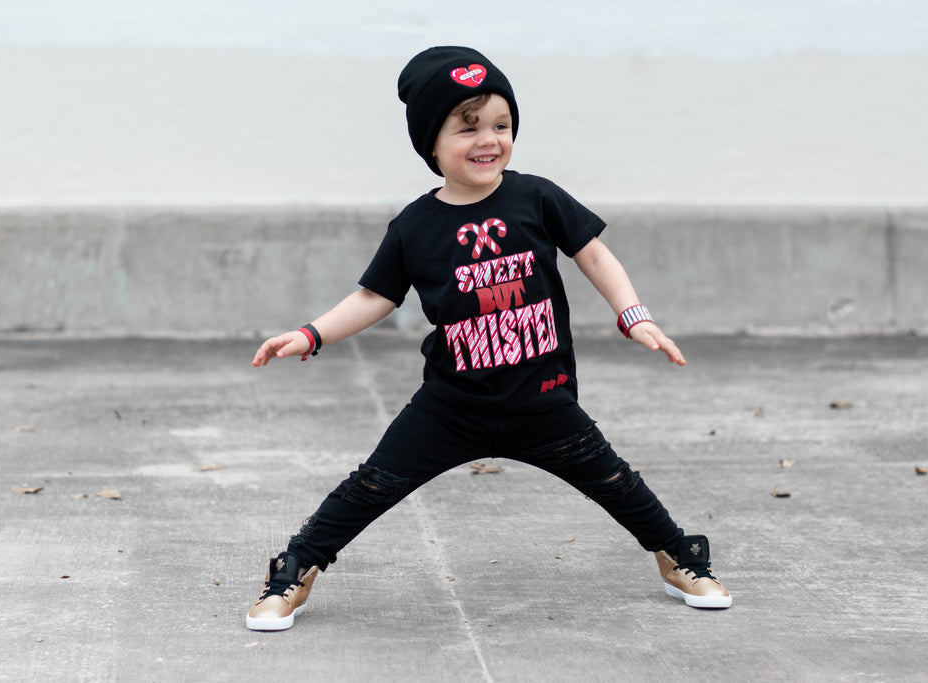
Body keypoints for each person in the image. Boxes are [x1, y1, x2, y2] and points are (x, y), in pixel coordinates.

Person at [245, 46, 731, 632]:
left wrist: (635, 316)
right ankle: (295, 569)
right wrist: (311, 333)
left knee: (615, 482)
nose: (489, 140)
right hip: (451, 406)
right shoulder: (415, 226)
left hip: (543, 400)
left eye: (501, 125)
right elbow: (375, 296)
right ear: (432, 144)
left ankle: (678, 555)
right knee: (372, 485)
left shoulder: (537, 197)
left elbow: (594, 254)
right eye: (468, 127)